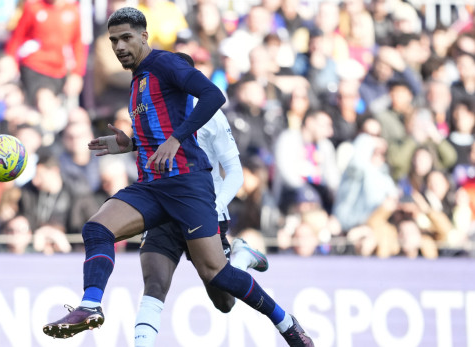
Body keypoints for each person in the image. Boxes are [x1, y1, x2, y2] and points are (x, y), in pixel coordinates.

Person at [42, 8, 313, 346]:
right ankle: (89, 305)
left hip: (188, 185)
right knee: (98, 229)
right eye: (114, 40)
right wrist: (129, 144)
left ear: (144, 36)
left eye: (126, 37)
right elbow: (158, 131)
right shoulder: (138, 80)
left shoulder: (166, 64)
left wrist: (177, 138)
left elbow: (215, 95)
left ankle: (287, 323)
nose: (119, 46)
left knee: (218, 281)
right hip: (152, 187)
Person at [134, 52, 268, 347]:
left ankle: (241, 258)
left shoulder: (210, 115)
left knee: (224, 301)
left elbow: (235, 172)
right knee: (154, 283)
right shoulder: (150, 111)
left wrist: (213, 206)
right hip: (165, 207)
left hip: (203, 210)